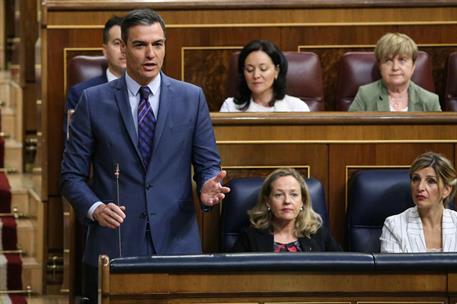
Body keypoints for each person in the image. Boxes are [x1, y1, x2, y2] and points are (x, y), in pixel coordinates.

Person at [60, 8, 230, 303]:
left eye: (158, 44)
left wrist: (206, 187)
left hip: (177, 243)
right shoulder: (93, 101)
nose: (151, 53)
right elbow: (70, 176)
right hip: (115, 243)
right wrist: (95, 207)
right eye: (140, 45)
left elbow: (207, 164)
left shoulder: (192, 98)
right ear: (124, 49)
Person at [231, 168, 341, 252]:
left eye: (294, 194)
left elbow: (343, 270)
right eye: (279, 195)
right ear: (267, 201)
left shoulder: (319, 235)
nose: (287, 201)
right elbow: (233, 277)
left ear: (302, 201)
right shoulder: (250, 237)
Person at [380, 152, 457, 253]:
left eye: (431, 181)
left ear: (446, 190)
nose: (420, 187)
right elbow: (394, 268)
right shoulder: (395, 226)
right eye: (416, 179)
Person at [63, 15, 126, 136]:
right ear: (105, 51)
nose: (123, 50)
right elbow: (75, 147)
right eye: (117, 43)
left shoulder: (146, 90)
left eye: (128, 43)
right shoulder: (81, 93)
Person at [349, 32, 441, 112]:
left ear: (413, 66)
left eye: (402, 60)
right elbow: (351, 131)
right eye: (388, 60)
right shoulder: (365, 95)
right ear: (380, 66)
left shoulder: (430, 101)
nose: (395, 67)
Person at [220, 40, 310, 112]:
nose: (256, 75)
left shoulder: (297, 108)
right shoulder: (230, 107)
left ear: (276, 71)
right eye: (249, 69)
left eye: (263, 69)